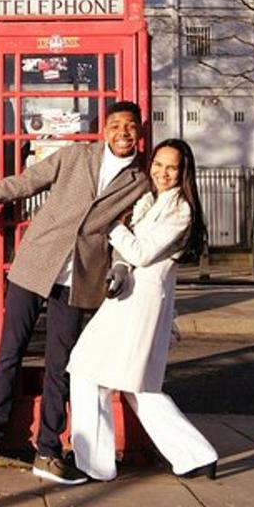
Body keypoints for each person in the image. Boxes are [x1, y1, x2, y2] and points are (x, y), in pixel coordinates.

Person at [0, 100, 151, 485]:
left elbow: (133, 231)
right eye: (116, 125)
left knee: (60, 366)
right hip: (36, 263)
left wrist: (121, 267)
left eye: (130, 127)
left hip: (82, 278)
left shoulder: (140, 181)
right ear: (103, 130)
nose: (123, 132)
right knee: (11, 351)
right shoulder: (75, 155)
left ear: (139, 133)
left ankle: (47, 449)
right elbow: (22, 183)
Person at [66, 138, 217, 481]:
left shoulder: (181, 211)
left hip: (140, 306)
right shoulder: (154, 201)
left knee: (94, 372)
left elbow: (141, 252)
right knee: (128, 384)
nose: (162, 172)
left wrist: (109, 223)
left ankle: (95, 464)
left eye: (172, 167)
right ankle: (195, 456)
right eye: (158, 164)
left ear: (184, 174)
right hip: (129, 302)